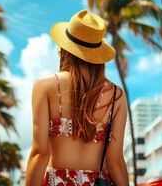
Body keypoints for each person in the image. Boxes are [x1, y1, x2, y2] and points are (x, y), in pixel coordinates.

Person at [26, 10, 129, 185]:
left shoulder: (45, 86)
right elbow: (115, 162)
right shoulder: (115, 96)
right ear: (98, 56)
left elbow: (40, 153)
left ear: (65, 49)